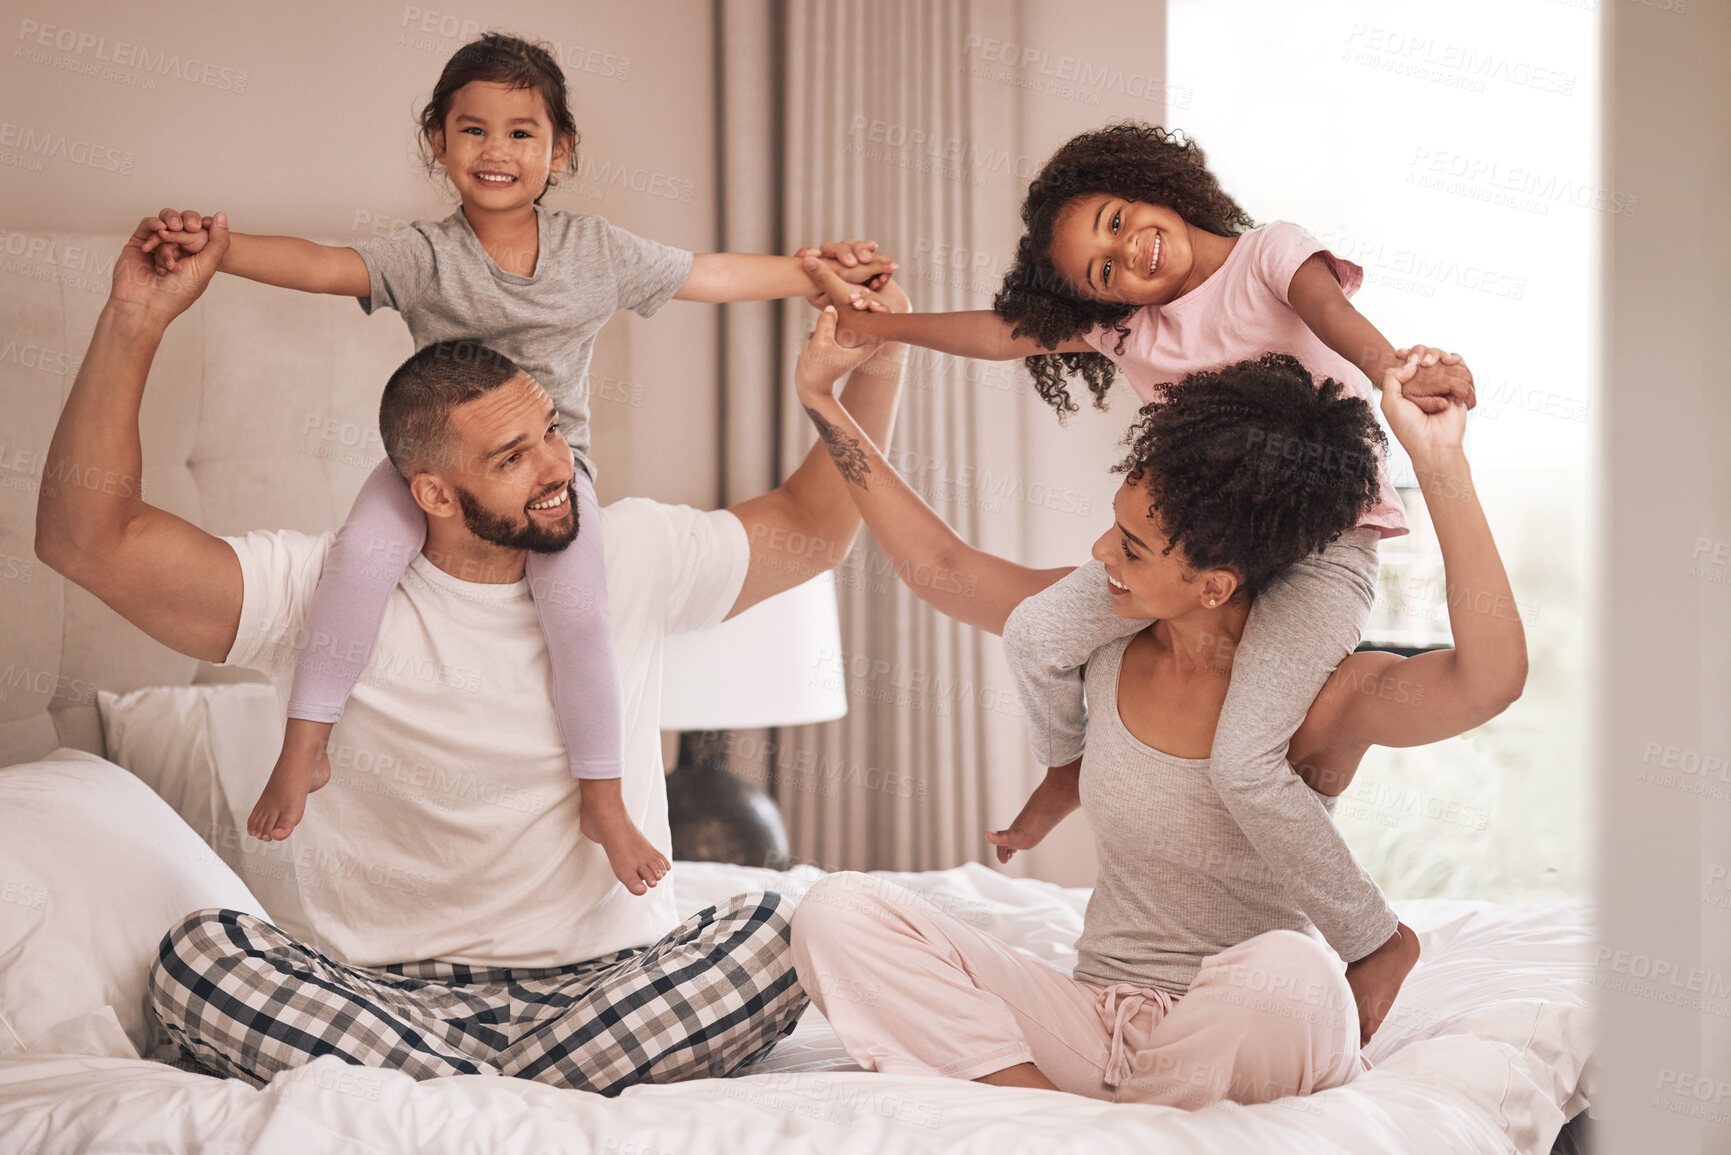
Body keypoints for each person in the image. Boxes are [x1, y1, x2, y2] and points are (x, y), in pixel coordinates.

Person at [34, 212, 907, 1092]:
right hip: (378, 999)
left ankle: (453, 1101)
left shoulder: (630, 551)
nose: (557, 468)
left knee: (782, 927)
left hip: (606, 988)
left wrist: (875, 368)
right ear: (433, 492)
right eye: (512, 457)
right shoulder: (316, 589)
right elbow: (87, 540)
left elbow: (813, 528)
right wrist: (133, 320)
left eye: (552, 434)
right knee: (200, 957)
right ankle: (529, 1098)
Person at [142, 32, 895, 897]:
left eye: (520, 133)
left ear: (559, 149)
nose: (495, 151)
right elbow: (320, 264)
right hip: (431, 469)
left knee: (581, 616)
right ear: (439, 143)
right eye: (472, 131)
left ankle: (604, 802)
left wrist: (815, 275)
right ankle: (305, 745)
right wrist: (219, 248)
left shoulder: (597, 251)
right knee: (356, 564)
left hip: (551, 475)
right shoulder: (421, 257)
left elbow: (714, 274)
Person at [784, 316, 1526, 1108]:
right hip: (1091, 1021)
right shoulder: (1100, 633)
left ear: (1214, 582)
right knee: (837, 910)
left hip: (1240, 1030)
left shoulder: (1317, 698)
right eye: (1115, 525)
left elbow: (1490, 680)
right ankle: (1045, 1106)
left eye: (1133, 546)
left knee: (1294, 971)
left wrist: (1439, 462)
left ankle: (1115, 1116)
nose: (1103, 552)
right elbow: (939, 566)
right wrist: (821, 396)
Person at [799, 120, 1473, 980]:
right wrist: (866, 323)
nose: (1127, 257)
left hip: (1320, 548)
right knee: (1038, 633)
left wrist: (1396, 372)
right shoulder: (1131, 328)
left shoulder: (1268, 257)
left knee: (1244, 761)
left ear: (1157, 183)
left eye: (1117, 221)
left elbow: (1336, 320)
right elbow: (999, 333)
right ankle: (1064, 772)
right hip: (1195, 555)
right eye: (1102, 271)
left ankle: (1375, 938)